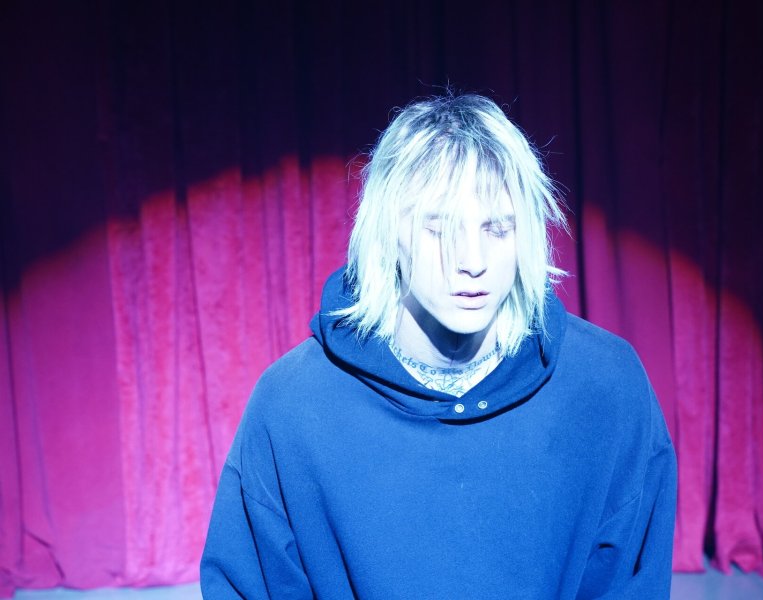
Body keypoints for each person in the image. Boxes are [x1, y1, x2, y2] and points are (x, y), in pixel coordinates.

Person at [200, 93, 677, 599]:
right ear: (389, 232)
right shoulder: (293, 406)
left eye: (498, 228)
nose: (472, 261)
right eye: (440, 229)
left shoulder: (606, 387)